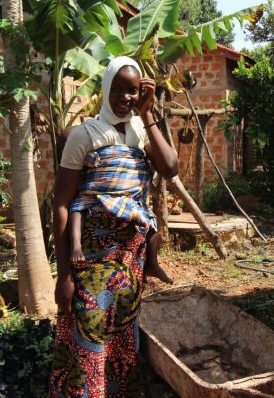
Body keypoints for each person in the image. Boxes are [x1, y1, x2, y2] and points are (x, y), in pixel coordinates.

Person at [50, 56, 179, 397]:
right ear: (106, 87)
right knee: (87, 327)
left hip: (129, 260)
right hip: (89, 257)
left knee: (122, 334)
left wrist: (148, 113)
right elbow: (62, 203)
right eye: (119, 89)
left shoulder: (140, 130)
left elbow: (169, 167)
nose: (126, 97)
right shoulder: (85, 135)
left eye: (133, 91)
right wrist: (63, 274)